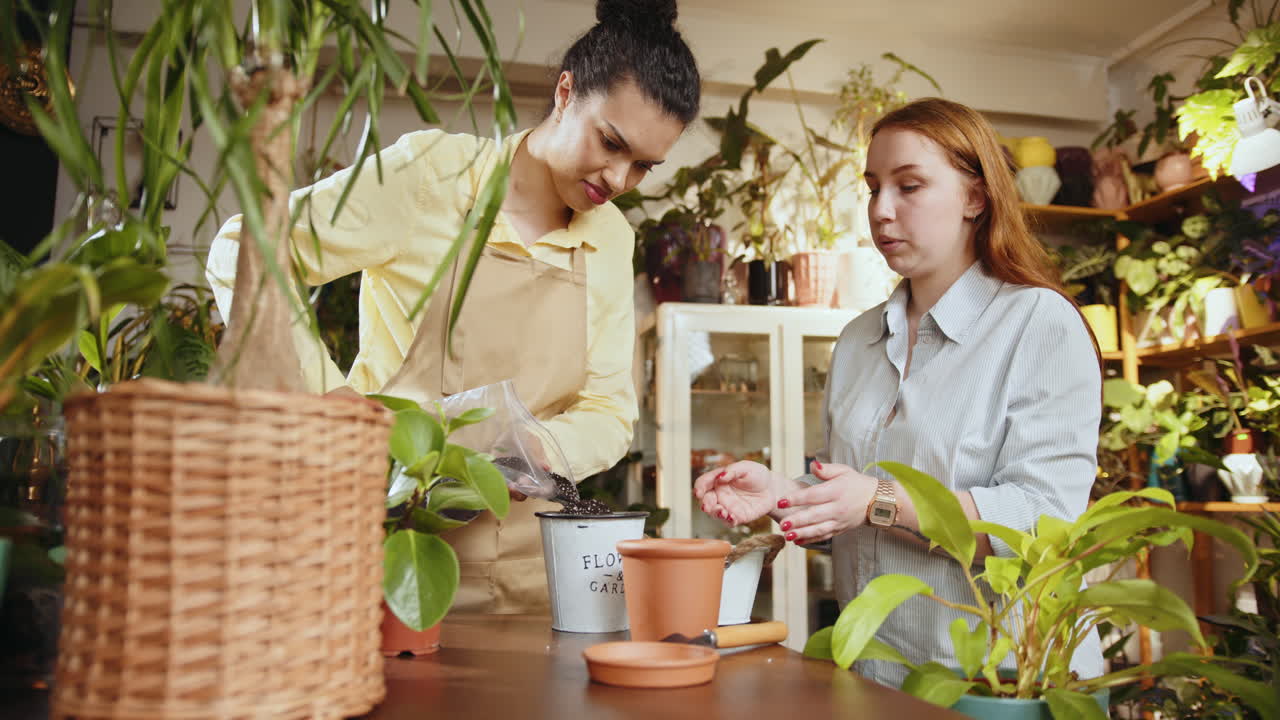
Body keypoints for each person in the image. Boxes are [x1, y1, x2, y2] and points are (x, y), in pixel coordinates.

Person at [207, 0, 700, 614]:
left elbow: (607, 409)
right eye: (611, 143)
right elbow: (244, 248)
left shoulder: (610, 239)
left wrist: (538, 450)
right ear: (566, 92)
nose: (620, 180)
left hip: (526, 576)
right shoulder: (432, 178)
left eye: (644, 167)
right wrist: (333, 405)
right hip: (382, 549)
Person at [693, 98, 1104, 687]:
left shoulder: (1039, 323)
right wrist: (785, 493)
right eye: (873, 187)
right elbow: (852, 487)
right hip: (874, 674)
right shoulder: (859, 338)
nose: (881, 211)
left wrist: (878, 501)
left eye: (909, 186)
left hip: (999, 683)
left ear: (975, 197)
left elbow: (1047, 522)